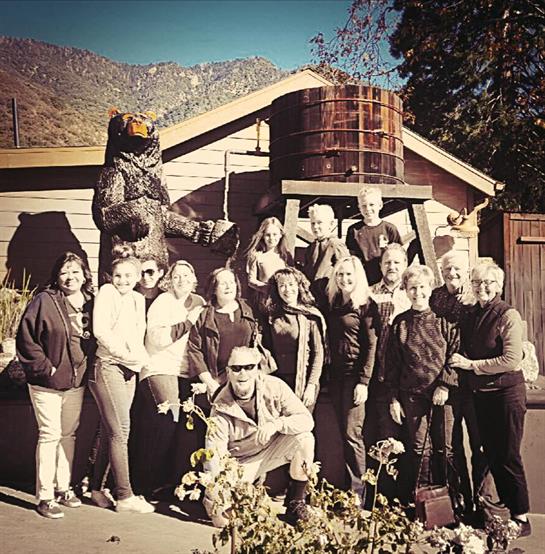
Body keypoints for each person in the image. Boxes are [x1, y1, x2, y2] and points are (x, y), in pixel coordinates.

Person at [451, 261, 531, 537]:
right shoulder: (473, 314)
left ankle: (521, 517)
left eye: (488, 282)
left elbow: (511, 359)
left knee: (508, 456)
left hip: (507, 395)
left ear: (499, 286)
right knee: (492, 456)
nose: (482, 287)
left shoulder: (508, 315)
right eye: (476, 282)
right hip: (482, 396)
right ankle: (503, 512)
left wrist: (471, 365)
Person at [16, 251, 96, 519]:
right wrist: (45, 368)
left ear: (84, 274)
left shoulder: (92, 302)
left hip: (76, 381)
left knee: (68, 434)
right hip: (47, 383)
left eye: (75, 271)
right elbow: (26, 338)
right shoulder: (45, 300)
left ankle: (63, 488)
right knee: (50, 434)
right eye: (64, 272)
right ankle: (45, 496)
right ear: (56, 276)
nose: (70, 277)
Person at [204, 346, 315, 527]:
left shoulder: (275, 386)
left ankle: (296, 502)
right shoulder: (220, 407)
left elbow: (306, 420)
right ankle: (244, 496)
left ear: (257, 369)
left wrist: (276, 424)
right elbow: (213, 457)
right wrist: (221, 492)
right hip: (240, 464)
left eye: (249, 367)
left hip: (270, 450)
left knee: (305, 439)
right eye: (237, 368)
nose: (243, 373)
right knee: (224, 522)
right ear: (228, 372)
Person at [131, 260, 205, 496]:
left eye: (186, 275)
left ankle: (178, 484)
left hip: (186, 372)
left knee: (189, 426)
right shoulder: (163, 302)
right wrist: (187, 322)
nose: (182, 280)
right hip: (160, 367)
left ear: (194, 279)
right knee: (169, 418)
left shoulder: (200, 302)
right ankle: (146, 483)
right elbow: (157, 339)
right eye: (176, 276)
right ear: (170, 281)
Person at [89, 246, 154, 513]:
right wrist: (127, 356)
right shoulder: (107, 293)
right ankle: (125, 496)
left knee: (110, 430)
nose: (122, 280)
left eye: (128, 276)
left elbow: (138, 336)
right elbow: (101, 332)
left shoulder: (138, 299)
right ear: (111, 276)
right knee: (121, 431)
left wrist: (140, 360)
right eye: (118, 275)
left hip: (129, 370)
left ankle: (95, 489)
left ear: (137, 277)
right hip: (108, 366)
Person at [386, 265, 459, 494]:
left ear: (430, 288)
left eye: (422, 287)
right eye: (412, 288)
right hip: (412, 396)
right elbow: (393, 364)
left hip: (442, 395)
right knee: (420, 449)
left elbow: (454, 354)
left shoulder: (444, 320)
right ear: (406, 290)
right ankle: (423, 500)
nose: (417, 292)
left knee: (445, 448)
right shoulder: (400, 323)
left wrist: (444, 385)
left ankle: (450, 500)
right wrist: (394, 399)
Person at [430, 252, 491, 519]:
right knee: (449, 446)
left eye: (456, 269)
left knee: (480, 445)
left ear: (465, 271)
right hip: (449, 384)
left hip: (475, 383)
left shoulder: (475, 297)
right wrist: (444, 381)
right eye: (447, 269)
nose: (452, 273)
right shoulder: (436, 297)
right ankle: (458, 502)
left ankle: (483, 502)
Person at [325, 255, 379, 501]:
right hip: (336, 376)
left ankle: (359, 495)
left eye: (349, 274)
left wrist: (363, 382)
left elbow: (371, 346)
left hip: (354, 377)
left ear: (357, 277)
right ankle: (349, 491)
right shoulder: (334, 302)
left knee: (352, 434)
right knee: (343, 435)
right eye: (340, 274)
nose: (344, 278)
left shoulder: (366, 305)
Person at [366, 243, 411, 500]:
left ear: (404, 265)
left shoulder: (414, 292)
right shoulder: (370, 293)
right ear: (381, 266)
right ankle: (384, 498)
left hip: (409, 377)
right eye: (387, 262)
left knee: (412, 439)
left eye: (397, 262)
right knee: (384, 435)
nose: (392, 266)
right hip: (380, 375)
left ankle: (408, 497)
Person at [187, 267, 259, 399]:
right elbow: (194, 350)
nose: (228, 286)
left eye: (231, 282)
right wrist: (210, 382)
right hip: (216, 379)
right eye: (223, 283)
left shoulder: (249, 308)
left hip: (246, 377)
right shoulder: (204, 315)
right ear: (214, 288)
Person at [262, 267, 326, 411]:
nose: (287, 289)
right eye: (282, 285)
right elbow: (266, 348)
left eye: (291, 284)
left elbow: (318, 354)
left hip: (304, 380)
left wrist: (311, 385)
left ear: (299, 286)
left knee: (302, 421)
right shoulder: (272, 315)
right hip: (278, 381)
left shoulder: (310, 316)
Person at [345, 186, 402, 286]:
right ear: (359, 207)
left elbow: (399, 255)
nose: (368, 209)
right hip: (363, 279)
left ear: (380, 205)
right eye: (364, 205)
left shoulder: (390, 229)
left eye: (371, 204)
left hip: (386, 279)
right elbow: (352, 258)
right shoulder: (353, 230)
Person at [302, 204, 349, 311]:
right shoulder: (311, 247)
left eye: (319, 223)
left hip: (330, 297)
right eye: (313, 223)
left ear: (331, 224)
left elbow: (346, 270)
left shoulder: (335, 244)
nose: (315, 227)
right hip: (313, 297)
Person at [244, 217, 293, 314]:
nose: (271, 238)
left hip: (284, 300)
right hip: (265, 302)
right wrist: (268, 289)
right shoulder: (257, 256)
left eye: (275, 234)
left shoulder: (286, 256)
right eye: (268, 235)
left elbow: (292, 278)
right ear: (263, 236)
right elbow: (251, 281)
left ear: (280, 235)